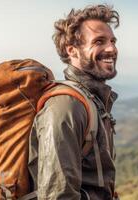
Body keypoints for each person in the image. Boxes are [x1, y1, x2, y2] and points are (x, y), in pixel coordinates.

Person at [29, 4, 120, 200]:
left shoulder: (93, 100)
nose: (112, 48)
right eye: (99, 41)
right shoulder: (66, 106)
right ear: (72, 50)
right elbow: (57, 195)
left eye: (113, 40)